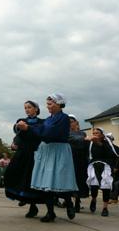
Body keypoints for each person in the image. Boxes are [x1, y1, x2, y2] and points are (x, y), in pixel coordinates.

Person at [17, 93, 78, 222]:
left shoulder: (64, 118)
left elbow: (50, 133)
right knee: (46, 181)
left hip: (58, 150)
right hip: (47, 150)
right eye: (47, 104)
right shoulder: (49, 119)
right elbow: (41, 128)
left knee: (61, 179)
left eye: (50, 104)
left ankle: (69, 203)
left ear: (58, 104)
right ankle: (51, 212)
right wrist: (26, 128)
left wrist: (29, 128)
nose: (48, 106)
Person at [4, 100, 44, 218]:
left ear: (36, 109)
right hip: (21, 153)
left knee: (30, 180)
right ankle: (21, 198)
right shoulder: (21, 121)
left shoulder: (42, 122)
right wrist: (14, 142)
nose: (27, 109)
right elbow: (18, 134)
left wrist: (28, 129)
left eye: (29, 107)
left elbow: (40, 135)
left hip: (35, 154)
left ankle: (33, 207)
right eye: (25, 107)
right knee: (11, 174)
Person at [86, 127, 119, 217]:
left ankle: (105, 208)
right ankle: (93, 199)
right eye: (94, 133)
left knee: (105, 186)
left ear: (102, 135)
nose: (95, 134)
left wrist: (97, 142)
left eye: (97, 133)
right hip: (94, 165)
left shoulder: (106, 143)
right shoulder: (91, 143)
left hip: (105, 166)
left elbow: (109, 153)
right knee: (94, 186)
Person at [68, 114, 89, 212]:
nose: (70, 123)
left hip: (81, 159)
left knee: (80, 180)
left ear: (76, 122)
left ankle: (77, 199)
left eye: (71, 121)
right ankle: (71, 200)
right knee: (71, 179)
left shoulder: (82, 133)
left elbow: (86, 147)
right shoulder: (66, 133)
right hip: (70, 158)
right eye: (68, 122)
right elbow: (72, 139)